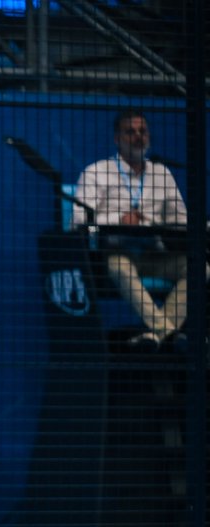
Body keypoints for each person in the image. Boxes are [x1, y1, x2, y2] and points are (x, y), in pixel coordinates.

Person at [74, 109, 189, 351]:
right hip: (118, 251)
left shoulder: (162, 173)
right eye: (130, 132)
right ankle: (166, 332)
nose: (138, 137)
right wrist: (119, 219)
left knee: (200, 270)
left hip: (154, 253)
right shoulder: (96, 172)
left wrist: (163, 224)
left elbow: (180, 219)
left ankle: (155, 336)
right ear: (117, 139)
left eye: (143, 131)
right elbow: (79, 221)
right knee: (120, 268)